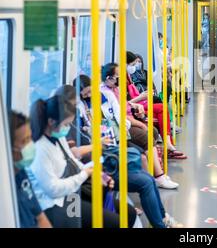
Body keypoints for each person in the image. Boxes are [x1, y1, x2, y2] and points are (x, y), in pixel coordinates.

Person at [27, 96, 138, 228]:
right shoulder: (40, 149)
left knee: (129, 213)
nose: (67, 128)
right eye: (66, 124)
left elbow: (73, 162)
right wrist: (84, 175)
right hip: (55, 204)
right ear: (51, 122)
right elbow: (53, 189)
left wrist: (96, 172)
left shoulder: (58, 138)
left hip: (70, 193)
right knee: (115, 222)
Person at [70, 75, 179, 190]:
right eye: (85, 94)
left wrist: (124, 128)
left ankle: (155, 178)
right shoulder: (81, 105)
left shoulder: (107, 95)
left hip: (118, 130)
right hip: (104, 138)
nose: (89, 95)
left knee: (149, 135)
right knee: (142, 151)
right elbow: (86, 127)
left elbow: (119, 115)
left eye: (89, 92)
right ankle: (153, 180)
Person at [101, 63, 186, 159]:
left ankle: (165, 145)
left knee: (160, 109)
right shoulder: (107, 93)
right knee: (160, 109)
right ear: (109, 78)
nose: (135, 66)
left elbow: (125, 103)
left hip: (133, 109)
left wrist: (136, 104)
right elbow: (120, 111)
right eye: (132, 63)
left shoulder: (117, 88)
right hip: (127, 118)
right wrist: (139, 99)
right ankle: (165, 147)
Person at [10, 111, 52, 228]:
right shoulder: (6, 188)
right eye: (24, 141)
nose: (29, 145)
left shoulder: (21, 173)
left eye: (30, 138)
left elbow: (40, 217)